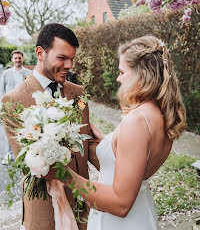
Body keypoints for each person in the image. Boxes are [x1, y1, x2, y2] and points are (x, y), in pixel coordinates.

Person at [45, 35, 187, 230]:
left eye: (122, 71)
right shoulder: (161, 114)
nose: (118, 78)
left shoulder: (137, 121)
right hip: (142, 213)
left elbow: (120, 204)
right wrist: (108, 142)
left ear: (141, 74)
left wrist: (65, 174)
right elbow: (137, 160)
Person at [2, 23, 99, 230]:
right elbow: (30, 162)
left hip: (82, 206)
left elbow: (87, 146)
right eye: (62, 58)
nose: (69, 65)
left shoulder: (79, 93)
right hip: (44, 208)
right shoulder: (13, 101)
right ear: (40, 53)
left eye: (72, 59)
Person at [0, 50, 31, 164]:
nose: (17, 60)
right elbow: (2, 90)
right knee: (9, 130)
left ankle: (23, 155)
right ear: (12, 59)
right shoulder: (6, 73)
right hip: (9, 105)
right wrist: (2, 105)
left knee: (24, 130)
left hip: (23, 106)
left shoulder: (28, 73)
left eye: (19, 58)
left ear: (22, 59)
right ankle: (8, 154)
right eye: (15, 58)